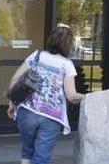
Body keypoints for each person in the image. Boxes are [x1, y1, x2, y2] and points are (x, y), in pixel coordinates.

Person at [7, 25, 86, 164]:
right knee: (41, 158)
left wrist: (11, 104)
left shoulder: (36, 55)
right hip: (51, 117)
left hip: (27, 111)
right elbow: (71, 96)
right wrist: (88, 97)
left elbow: (15, 79)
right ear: (68, 45)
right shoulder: (67, 65)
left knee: (27, 152)